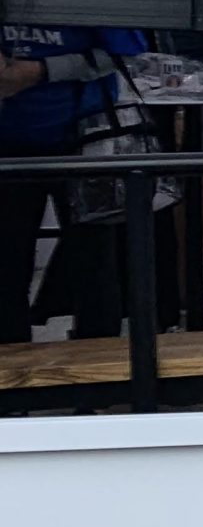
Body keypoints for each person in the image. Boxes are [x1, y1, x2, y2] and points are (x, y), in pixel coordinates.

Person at [0, 25, 147, 344]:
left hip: (84, 136)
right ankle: (11, 367)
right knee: (7, 262)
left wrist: (39, 71)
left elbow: (124, 54)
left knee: (94, 261)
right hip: (14, 139)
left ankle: (98, 364)